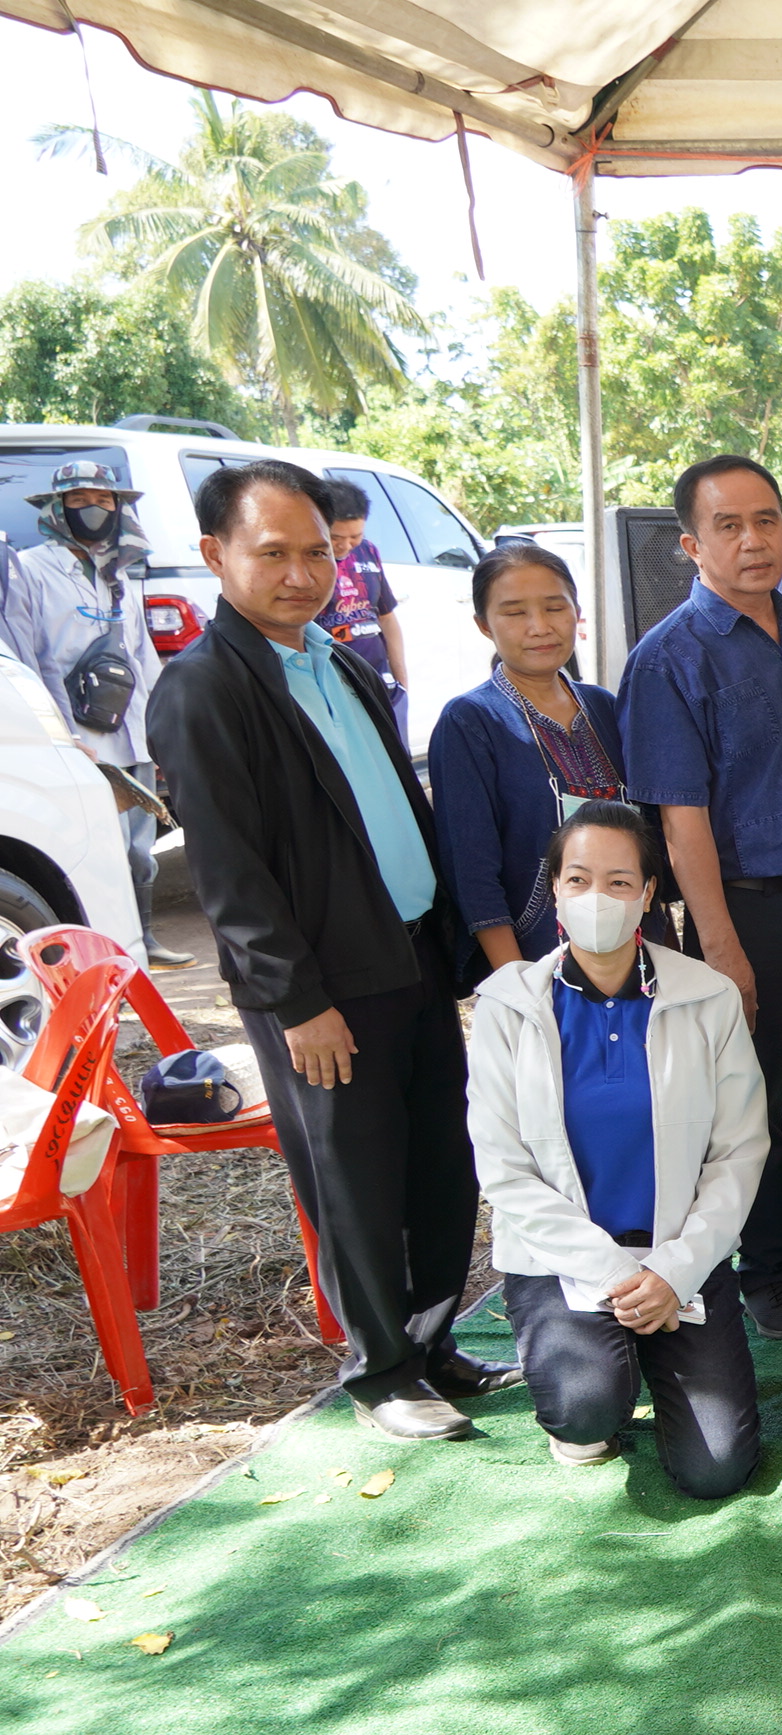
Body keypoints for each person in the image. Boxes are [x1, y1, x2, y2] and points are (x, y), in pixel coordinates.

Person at [147, 460, 518, 1440]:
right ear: (215, 556)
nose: (301, 572)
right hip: (322, 989)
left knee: (439, 1160)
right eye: (273, 552)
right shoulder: (203, 690)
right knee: (352, 1180)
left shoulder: (342, 660)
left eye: (317, 551)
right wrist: (294, 999)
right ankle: (384, 1371)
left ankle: (434, 1341)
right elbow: (228, 873)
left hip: (411, 961)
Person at [621, 453, 782, 1342]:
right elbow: (680, 820)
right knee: (767, 1096)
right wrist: (722, 946)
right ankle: (770, 1269)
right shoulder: (668, 661)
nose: (752, 541)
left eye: (766, 521)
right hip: (754, 914)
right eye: (728, 527)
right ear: (691, 545)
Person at [466, 804, 766, 1495]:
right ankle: (595, 1384)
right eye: (579, 879)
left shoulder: (708, 998)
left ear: (649, 894)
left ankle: (649, 1349)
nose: (597, 897)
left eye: (620, 882)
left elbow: (740, 1152)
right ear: (556, 890)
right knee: (585, 1407)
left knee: (716, 1467)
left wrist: (672, 1272)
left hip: (678, 1257)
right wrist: (612, 1275)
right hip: (561, 1258)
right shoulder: (509, 1006)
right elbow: (503, 1169)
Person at [6, 458, 191, 965]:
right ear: (56, 508)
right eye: (79, 501)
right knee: (92, 851)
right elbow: (25, 656)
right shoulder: (29, 569)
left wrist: (161, 731)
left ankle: (144, 941)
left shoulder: (119, 571)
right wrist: (57, 735)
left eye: (104, 501)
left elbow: (141, 656)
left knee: (139, 850)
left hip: (128, 732)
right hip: (75, 736)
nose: (93, 510)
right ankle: (100, 954)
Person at [430, 544, 648, 968]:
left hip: (636, 951)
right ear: (483, 625)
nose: (539, 627)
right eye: (514, 613)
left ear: (576, 611)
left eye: (554, 607)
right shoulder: (471, 721)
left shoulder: (604, 707)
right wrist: (516, 979)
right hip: (538, 954)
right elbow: (471, 868)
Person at [317, 479, 409, 741]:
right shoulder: (308, 562)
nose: (346, 546)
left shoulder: (368, 552)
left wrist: (401, 679)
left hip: (380, 681)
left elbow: (387, 617)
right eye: (336, 538)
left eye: (355, 537)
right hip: (334, 685)